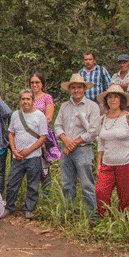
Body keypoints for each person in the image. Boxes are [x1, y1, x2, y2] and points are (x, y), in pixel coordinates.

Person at [54, 74, 101, 216]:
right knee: (67, 183)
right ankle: (67, 214)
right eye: (73, 88)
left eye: (79, 87)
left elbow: (94, 130)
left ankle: (92, 216)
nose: (76, 90)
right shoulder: (64, 106)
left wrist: (74, 143)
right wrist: (65, 139)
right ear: (69, 89)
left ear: (84, 88)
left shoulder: (92, 106)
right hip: (66, 150)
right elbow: (57, 125)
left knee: (87, 184)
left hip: (83, 150)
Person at [95, 84, 129, 218]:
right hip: (107, 164)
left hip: (126, 163)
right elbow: (101, 143)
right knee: (100, 192)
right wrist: (99, 164)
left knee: (125, 198)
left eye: (116, 97)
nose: (113, 100)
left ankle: (122, 224)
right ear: (106, 100)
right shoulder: (102, 119)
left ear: (121, 100)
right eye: (110, 97)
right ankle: (106, 220)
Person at [2, 89, 48, 220]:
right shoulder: (16, 114)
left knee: (32, 184)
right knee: (12, 182)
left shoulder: (40, 116)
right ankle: (9, 207)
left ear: (33, 100)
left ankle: (29, 209)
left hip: (33, 156)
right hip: (17, 157)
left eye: (28, 99)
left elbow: (43, 137)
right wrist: (14, 150)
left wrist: (29, 150)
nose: (25, 101)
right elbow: (11, 133)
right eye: (23, 99)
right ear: (20, 101)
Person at [30, 72, 59, 185]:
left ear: (42, 84)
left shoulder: (47, 97)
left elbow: (49, 118)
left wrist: (36, 129)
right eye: (32, 82)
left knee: (44, 165)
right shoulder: (28, 97)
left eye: (37, 82)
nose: (34, 85)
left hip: (42, 135)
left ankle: (46, 192)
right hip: (30, 136)